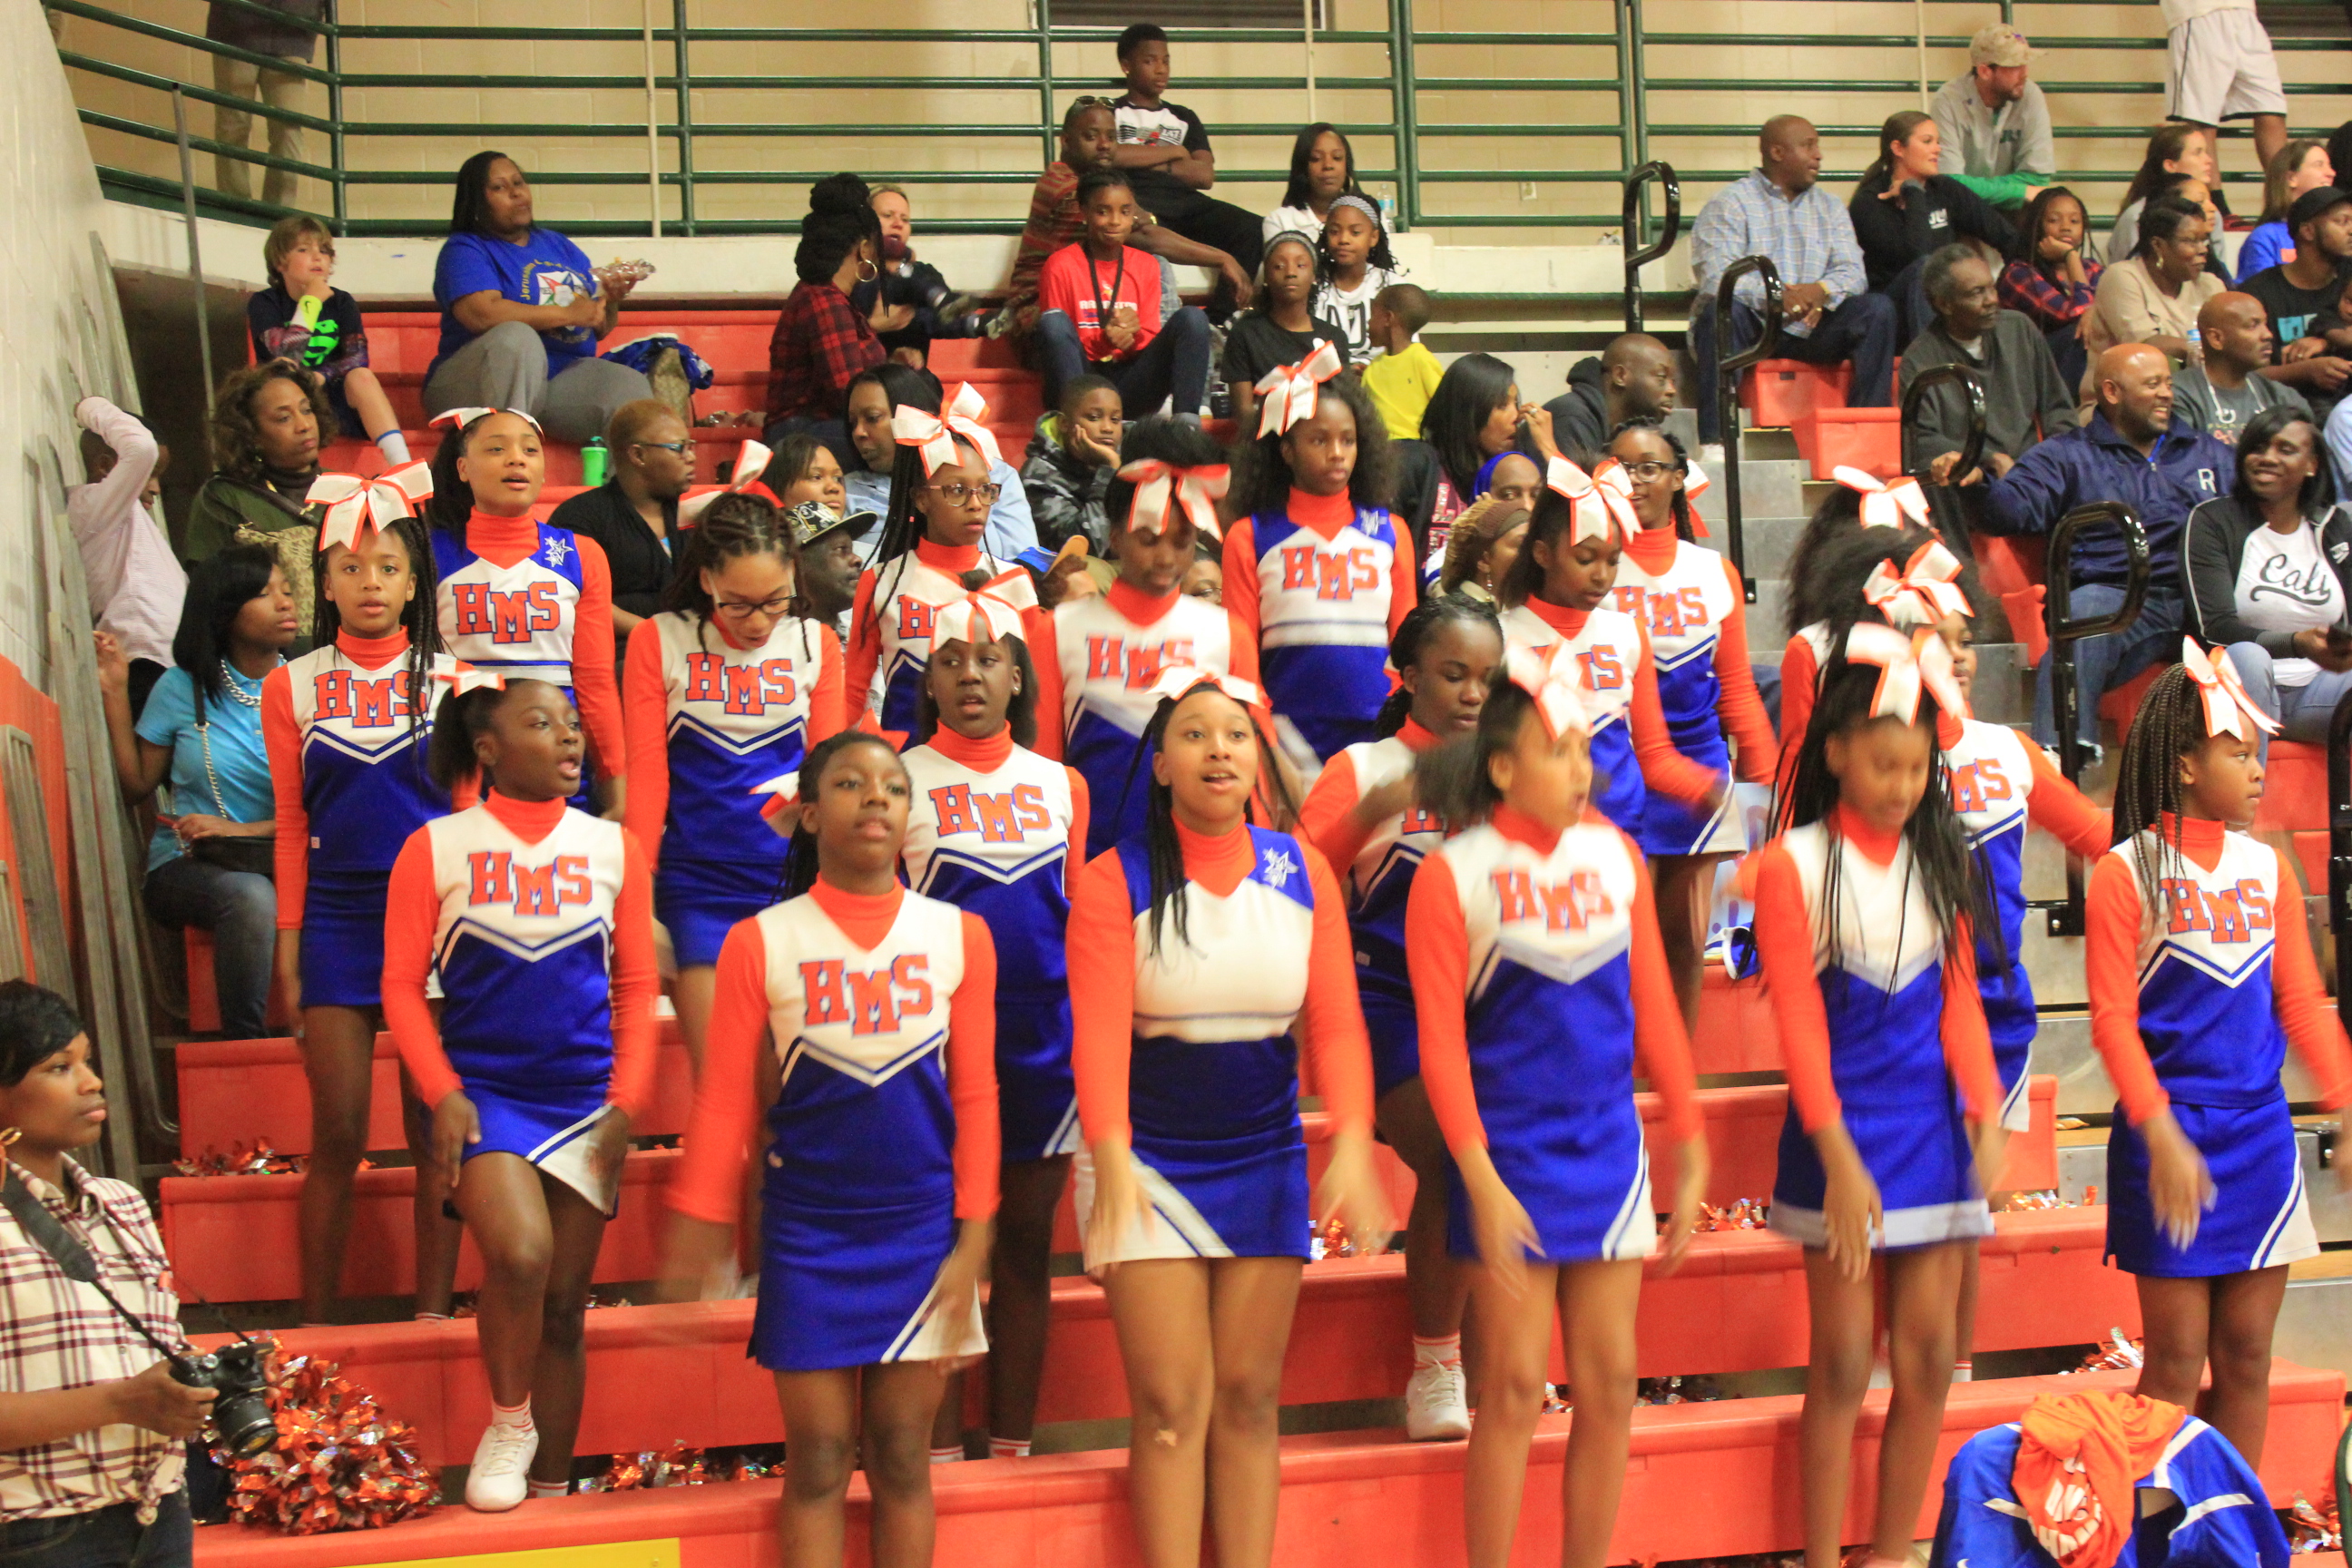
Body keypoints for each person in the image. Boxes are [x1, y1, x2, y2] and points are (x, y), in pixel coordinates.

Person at [1069, 666, 1388, 1568]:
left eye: (1236, 735)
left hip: (1263, 1157)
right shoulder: (1113, 880)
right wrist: (1110, 1159)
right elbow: (1097, 1039)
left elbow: (1338, 1024)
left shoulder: (1302, 871)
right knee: (1173, 1409)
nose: (1219, 750)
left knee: (1248, 1401)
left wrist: (1353, 1142)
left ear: (1257, 757)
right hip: (1145, 1163)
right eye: (1195, 734)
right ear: (1161, 763)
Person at [662, 730, 998, 1564]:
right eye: (850, 784)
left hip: (921, 1233)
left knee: (902, 1457)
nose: (876, 797)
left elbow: (977, 1098)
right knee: (815, 1460)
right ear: (808, 814)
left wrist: (973, 1240)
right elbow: (724, 1099)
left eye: (893, 786)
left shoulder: (960, 934)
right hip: (809, 1232)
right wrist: (700, 1217)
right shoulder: (761, 940)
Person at [1407, 642, 1709, 1568]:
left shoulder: (1617, 855)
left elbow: (1655, 1007)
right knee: (1507, 1391)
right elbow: (1440, 1049)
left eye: (1586, 750)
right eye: (1559, 752)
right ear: (1502, 768)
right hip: (1507, 1158)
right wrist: (1477, 1177)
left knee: (1612, 1384)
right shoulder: (1451, 874)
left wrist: (1691, 1137)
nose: (1582, 769)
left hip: (1608, 1151)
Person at [1753, 626, 2005, 1568]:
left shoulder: (1941, 857)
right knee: (1842, 1362)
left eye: (1916, 768)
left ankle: (1892, 1551)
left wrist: (1984, 1108)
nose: (1903, 787)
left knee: (1930, 1360)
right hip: (1841, 1135)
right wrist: (1839, 1159)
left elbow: (1960, 1005)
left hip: (1930, 1133)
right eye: (1884, 765)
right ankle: (1824, 1558)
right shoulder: (1794, 863)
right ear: (1835, 755)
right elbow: (1800, 1031)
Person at [385, 675, 657, 1509]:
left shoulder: (614, 847)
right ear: (490, 749)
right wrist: (441, 1090)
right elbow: (399, 988)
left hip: (584, 1099)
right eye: (543, 724)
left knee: (565, 1309)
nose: (570, 737)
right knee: (522, 1255)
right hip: (486, 1095)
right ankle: (508, 1424)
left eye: (573, 723)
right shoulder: (436, 846)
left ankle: (552, 1487)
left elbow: (636, 985)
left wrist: (626, 1102)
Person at [2091, 654, 2351, 1469]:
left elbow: (2301, 1002)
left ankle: (2228, 1530)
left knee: (2245, 1358)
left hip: (2258, 1139)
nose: (2258, 768)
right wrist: (2160, 1133)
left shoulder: (2267, 868)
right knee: (2173, 1365)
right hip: (2167, 1137)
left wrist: (2345, 1100)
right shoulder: (2124, 872)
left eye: (2257, 753)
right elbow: (2112, 1023)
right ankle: (2149, 1526)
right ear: (2185, 764)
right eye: (2238, 753)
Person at [1298, 598, 1502, 1444]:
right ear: (1409, 676)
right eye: (1454, 675)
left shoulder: (1510, 769)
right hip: (1382, 1007)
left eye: (1486, 678)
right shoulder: (1363, 766)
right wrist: (1373, 807)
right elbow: (1297, 880)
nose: (1472, 694)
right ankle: (1435, 1367)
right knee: (1459, 1159)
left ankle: (1497, 1373)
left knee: (1503, 1169)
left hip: (1485, 1011)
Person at [263, 500, 464, 1329]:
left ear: (415, 584)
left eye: (387, 568)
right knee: (339, 1133)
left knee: (434, 1128)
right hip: (338, 920)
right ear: (326, 583)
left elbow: (470, 818)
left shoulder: (458, 681)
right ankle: (314, 1327)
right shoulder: (291, 682)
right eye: (351, 568)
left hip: (436, 918)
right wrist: (288, 943)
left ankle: (432, 1317)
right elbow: (291, 821)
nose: (370, 582)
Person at [897, 599, 1084, 1463]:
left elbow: (1071, 923)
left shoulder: (1063, 784)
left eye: (988, 660)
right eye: (949, 660)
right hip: (931, 1050)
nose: (969, 675)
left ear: (1018, 676)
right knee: (938, 1251)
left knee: (1023, 1253)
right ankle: (933, 1459)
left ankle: (1011, 1449)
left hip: (1043, 1046)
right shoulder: (897, 777)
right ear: (927, 679)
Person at [623, 494, 843, 1082]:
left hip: (791, 884)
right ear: (706, 580)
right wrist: (638, 899)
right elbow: (647, 779)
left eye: (774, 600)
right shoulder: (660, 640)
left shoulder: (815, 643)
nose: (758, 622)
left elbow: (827, 786)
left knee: (790, 1093)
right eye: (738, 604)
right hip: (697, 886)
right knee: (724, 1086)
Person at [0, 982, 212, 1567]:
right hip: (36, 1531)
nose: (92, 1082)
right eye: (58, 1067)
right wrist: (121, 1402)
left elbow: (152, 1348)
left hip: (161, 1514)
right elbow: (126, 1392)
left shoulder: (123, 1203)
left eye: (87, 1061)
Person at [1605, 421, 1779, 1025]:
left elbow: (1736, 688)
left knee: (1683, 941)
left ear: (1678, 479)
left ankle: (1673, 1066)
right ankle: (1621, 1072)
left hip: (1697, 770)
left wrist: (1765, 778)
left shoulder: (1712, 571)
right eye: (1620, 467)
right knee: (1622, 942)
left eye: (1649, 467)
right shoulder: (1594, 566)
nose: (1634, 481)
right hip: (1616, 767)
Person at [1984, 343, 2233, 750]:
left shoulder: (2208, 452)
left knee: (2263, 620)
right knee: (2083, 619)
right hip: (2120, 597)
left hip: (2202, 597)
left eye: (2168, 384)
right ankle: (2059, 765)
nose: (2166, 394)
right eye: (2152, 384)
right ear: (2113, 392)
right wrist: (1978, 486)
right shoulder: (2066, 455)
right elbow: (2010, 511)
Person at [1025, 420, 1258, 855]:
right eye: (1149, 540)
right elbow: (1040, 770)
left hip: (1197, 863)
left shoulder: (1228, 635)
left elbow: (1253, 773)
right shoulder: (1057, 630)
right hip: (1090, 861)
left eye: (1182, 541)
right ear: (1115, 537)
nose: (1166, 558)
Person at [97, 546, 292, 1041]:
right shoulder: (181, 689)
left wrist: (242, 829)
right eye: (264, 593)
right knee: (250, 896)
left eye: (286, 590)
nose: (285, 603)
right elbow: (135, 787)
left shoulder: (312, 687)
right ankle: (244, 1047)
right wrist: (115, 692)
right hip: (190, 864)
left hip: (286, 855)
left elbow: (327, 807)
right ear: (224, 612)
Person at [1493, 463, 1720, 840]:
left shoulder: (1627, 633)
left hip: (1622, 837)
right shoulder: (1499, 637)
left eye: (1613, 560)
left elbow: (1654, 754)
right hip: (1533, 839)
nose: (1601, 575)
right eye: (1585, 559)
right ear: (1543, 554)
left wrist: (1703, 786)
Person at [428, 407, 629, 816]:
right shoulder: (430, 553)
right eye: (496, 449)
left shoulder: (581, 555)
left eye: (530, 450)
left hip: (556, 759)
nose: (516, 459)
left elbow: (595, 682)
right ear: (462, 468)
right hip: (464, 760)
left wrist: (616, 787)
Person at [1222, 352, 1415, 774]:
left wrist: (1398, 713)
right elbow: (1242, 652)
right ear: (1287, 451)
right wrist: (1260, 729)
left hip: (1377, 729)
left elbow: (1408, 642)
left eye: (1348, 440)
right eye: (1319, 440)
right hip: (1288, 734)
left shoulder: (1390, 531)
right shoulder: (1249, 536)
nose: (1337, 453)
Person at [1689, 116, 1894, 447]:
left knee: (1878, 309)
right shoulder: (1730, 203)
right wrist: (1774, 297)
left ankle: (1866, 435)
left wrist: (1821, 292)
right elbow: (1716, 277)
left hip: (1814, 325)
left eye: (1817, 146)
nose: (1819, 155)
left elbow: (1853, 271)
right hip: (1756, 326)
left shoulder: (1830, 207)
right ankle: (1717, 442)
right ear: (1777, 152)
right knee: (1719, 313)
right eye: (1808, 146)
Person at [422, 152, 651, 447]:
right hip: (475, 383)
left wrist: (611, 299)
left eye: (519, 183)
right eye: (500, 187)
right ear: (476, 202)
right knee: (517, 339)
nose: (516, 193)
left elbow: (599, 326)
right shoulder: (465, 249)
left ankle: (615, 480)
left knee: (629, 388)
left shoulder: (558, 245)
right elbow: (481, 314)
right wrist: (567, 313)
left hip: (556, 382)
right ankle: (508, 456)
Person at [845, 393, 1037, 741]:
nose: (976, 504)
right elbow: (852, 693)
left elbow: (1034, 697)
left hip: (992, 765)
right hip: (906, 766)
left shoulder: (1013, 581)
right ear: (921, 498)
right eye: (957, 490)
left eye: (985, 490)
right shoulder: (882, 582)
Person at [1000, 99, 1252, 347]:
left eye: (1111, 137)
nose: (1104, 145)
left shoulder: (1094, 185)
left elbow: (1144, 227)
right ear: (1066, 141)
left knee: (1146, 268)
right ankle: (1171, 352)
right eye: (1091, 137)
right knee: (1155, 263)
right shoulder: (1065, 187)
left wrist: (1146, 218)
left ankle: (1175, 350)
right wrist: (1223, 259)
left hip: (1085, 300)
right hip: (1039, 316)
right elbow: (1147, 238)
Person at [2186, 407, 2352, 758]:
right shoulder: (2213, 521)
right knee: (2247, 656)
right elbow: (2214, 630)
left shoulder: (2335, 526)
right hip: (2239, 686)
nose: (2268, 458)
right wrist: (2296, 643)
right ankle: (2245, 792)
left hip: (2318, 693)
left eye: (2285, 450)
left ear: (2312, 465)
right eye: (2258, 448)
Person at [1902, 244, 2077, 552]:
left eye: (1992, 288)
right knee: (1941, 479)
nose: (1992, 300)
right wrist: (1987, 460)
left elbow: (2058, 410)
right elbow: (1923, 441)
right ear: (1944, 304)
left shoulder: (2019, 329)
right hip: (1976, 480)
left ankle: (2077, 578)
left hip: (2031, 471)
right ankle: (1961, 579)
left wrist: (2047, 463)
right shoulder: (1920, 359)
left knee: (2086, 463)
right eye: (1976, 293)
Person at [1035, 170, 1212, 423]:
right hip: (1080, 384)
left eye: (1125, 212)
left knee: (1192, 318)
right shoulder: (1060, 265)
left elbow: (1149, 335)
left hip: (1133, 386)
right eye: (1103, 211)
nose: (1115, 221)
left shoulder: (1146, 265)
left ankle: (1186, 427)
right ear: (1083, 212)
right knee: (1052, 320)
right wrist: (1105, 340)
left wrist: (1132, 335)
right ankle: (1074, 427)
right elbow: (1058, 342)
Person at [1108, 24, 1265, 310]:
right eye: (1150, 61)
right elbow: (1109, 155)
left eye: (1166, 61)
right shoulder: (1111, 113)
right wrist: (1174, 153)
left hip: (1186, 204)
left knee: (1252, 228)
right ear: (1126, 65)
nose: (1161, 69)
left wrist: (1145, 160)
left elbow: (1204, 176)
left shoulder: (1183, 116)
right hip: (1140, 199)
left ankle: (1220, 321)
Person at [247, 216, 408, 466]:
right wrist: (310, 302)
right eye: (303, 250)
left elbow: (358, 357)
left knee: (361, 376)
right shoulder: (264, 303)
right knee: (282, 366)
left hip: (333, 401)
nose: (317, 257)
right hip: (287, 403)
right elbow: (286, 355)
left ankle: (402, 464)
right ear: (279, 261)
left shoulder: (342, 302)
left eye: (323, 251)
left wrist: (323, 374)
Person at [841, 365, 1035, 564]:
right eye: (853, 422)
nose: (858, 432)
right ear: (920, 498)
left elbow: (1028, 558)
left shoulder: (997, 475)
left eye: (872, 418)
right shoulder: (844, 492)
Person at [185, 361, 327, 633]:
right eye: (284, 418)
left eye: (307, 410)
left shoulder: (350, 490)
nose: (304, 425)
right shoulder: (223, 499)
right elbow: (207, 601)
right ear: (252, 435)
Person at [1850, 112, 2015, 343]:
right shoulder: (1870, 201)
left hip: (1947, 298)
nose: (1937, 149)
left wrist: (2012, 281)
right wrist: (1914, 193)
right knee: (1925, 268)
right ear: (1898, 148)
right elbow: (1917, 254)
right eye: (1927, 142)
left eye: (1938, 142)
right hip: (1894, 312)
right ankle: (1931, 359)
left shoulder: (1945, 188)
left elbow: (2007, 236)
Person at [763, 173, 897, 459]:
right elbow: (849, 395)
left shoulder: (821, 295)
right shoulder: (825, 301)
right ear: (864, 249)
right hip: (804, 437)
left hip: (805, 432)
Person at [545, 400, 691, 652]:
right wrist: (653, 636)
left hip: (691, 651)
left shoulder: (695, 513)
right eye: (679, 448)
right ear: (638, 455)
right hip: (616, 652)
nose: (691, 457)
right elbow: (571, 598)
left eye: (692, 447)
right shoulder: (579, 516)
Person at [70, 397, 182, 717]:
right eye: (150, 474)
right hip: (144, 666)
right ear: (106, 467)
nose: (156, 488)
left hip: (170, 668)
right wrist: (88, 407)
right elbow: (141, 447)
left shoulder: (131, 520)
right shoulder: (93, 508)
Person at [1220, 234, 1348, 433]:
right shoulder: (1245, 333)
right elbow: (1244, 414)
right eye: (1279, 266)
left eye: (1300, 265)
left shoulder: (1334, 338)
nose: (1290, 273)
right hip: (1265, 439)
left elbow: (1342, 405)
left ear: (1314, 276)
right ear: (1266, 278)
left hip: (1320, 439)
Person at [2238, 186, 2352, 405]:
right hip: (2282, 409)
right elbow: (2240, 375)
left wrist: (2327, 342)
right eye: (2342, 221)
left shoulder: (2350, 279)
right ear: (2308, 231)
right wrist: (2304, 371)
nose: (2351, 230)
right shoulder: (2257, 293)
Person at [2083, 197, 2227, 369]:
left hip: (2197, 385)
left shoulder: (2210, 285)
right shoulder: (2122, 277)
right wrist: (2202, 350)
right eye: (2190, 241)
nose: (2203, 249)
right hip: (2126, 383)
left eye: (2204, 240)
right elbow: (2142, 345)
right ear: (2158, 245)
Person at [851, 185, 985, 368]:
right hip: (862, 373)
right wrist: (871, 327)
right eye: (888, 215)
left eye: (905, 219)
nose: (898, 223)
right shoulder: (855, 275)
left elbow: (940, 322)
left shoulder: (925, 273)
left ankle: (971, 320)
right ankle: (972, 322)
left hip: (911, 375)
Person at [204, 0, 319, 207]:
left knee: (288, 128)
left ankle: (278, 213)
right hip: (237, 26)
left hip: (292, 29)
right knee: (233, 125)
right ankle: (234, 209)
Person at [1930, 21, 2055, 210]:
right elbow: (1949, 184)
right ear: (1984, 71)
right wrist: (2020, 191)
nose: (2025, 73)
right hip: (1963, 213)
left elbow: (2038, 180)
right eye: (2015, 65)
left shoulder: (2031, 94)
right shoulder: (1947, 101)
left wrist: (1978, 188)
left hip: (2014, 213)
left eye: (2025, 64)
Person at [2163, 0, 2290, 180]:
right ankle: (2213, 197)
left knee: (2271, 108)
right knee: (2201, 117)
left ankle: (2282, 194)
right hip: (2198, 12)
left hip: (2245, 12)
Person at [2171, 291, 2314, 443]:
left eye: (2265, 324)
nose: (2268, 334)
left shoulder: (2284, 398)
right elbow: (2184, 456)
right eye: (2253, 326)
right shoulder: (2178, 395)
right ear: (2216, 338)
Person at [1999, 186, 2106, 387]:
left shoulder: (2093, 269)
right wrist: (2070, 256)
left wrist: (2095, 313)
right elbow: (2075, 314)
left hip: (2087, 366)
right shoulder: (2019, 275)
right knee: (2077, 334)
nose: (2066, 227)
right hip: (2034, 369)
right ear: (2037, 226)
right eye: (2054, 220)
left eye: (2074, 221)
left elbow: (2112, 313)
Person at [1542, 333, 1678, 469]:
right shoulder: (1571, 417)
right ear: (1620, 375)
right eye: (1661, 378)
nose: (1672, 390)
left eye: (1673, 381)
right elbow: (1577, 482)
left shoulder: (1622, 429)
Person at [1022, 374, 1123, 553]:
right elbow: (1083, 549)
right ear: (1064, 423)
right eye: (1094, 417)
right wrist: (1109, 472)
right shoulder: (1037, 478)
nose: (1108, 428)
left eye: (1115, 419)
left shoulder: (1136, 445)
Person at [1314, 196, 1410, 368]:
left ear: (1373, 237)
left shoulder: (1391, 285)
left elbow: (1406, 352)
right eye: (1334, 231)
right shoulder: (1313, 285)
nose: (1343, 239)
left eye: (1355, 233)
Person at [2109, 126, 2226, 266]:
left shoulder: (2212, 214)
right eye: (2197, 153)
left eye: (2206, 152)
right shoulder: (2136, 217)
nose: (2209, 160)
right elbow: (2125, 270)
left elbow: (2220, 271)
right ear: (2170, 165)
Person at [2237, 139, 2337, 281]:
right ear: (2291, 178)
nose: (2331, 173)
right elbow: (2259, 291)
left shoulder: (2338, 233)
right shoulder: (2266, 237)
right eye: (2319, 165)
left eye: (2330, 165)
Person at [1362, 284, 1445, 445]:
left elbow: (1444, 406)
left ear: (1388, 318)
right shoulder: (1372, 367)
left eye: (1373, 315)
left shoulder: (1421, 360)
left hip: (1415, 446)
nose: (1368, 321)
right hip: (1379, 447)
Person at [782, 499, 872, 643]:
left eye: (851, 550)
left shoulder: (862, 638)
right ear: (798, 563)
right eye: (841, 549)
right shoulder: (778, 646)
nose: (857, 559)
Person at [1263, 123, 1362, 249]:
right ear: (1302, 167)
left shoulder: (1369, 216)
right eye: (1316, 158)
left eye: (1337, 157)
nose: (1328, 165)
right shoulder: (1280, 221)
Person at [1436, 502, 1532, 602]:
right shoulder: (1456, 610)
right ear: (1484, 560)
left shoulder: (1504, 606)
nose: (1535, 554)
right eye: (1523, 546)